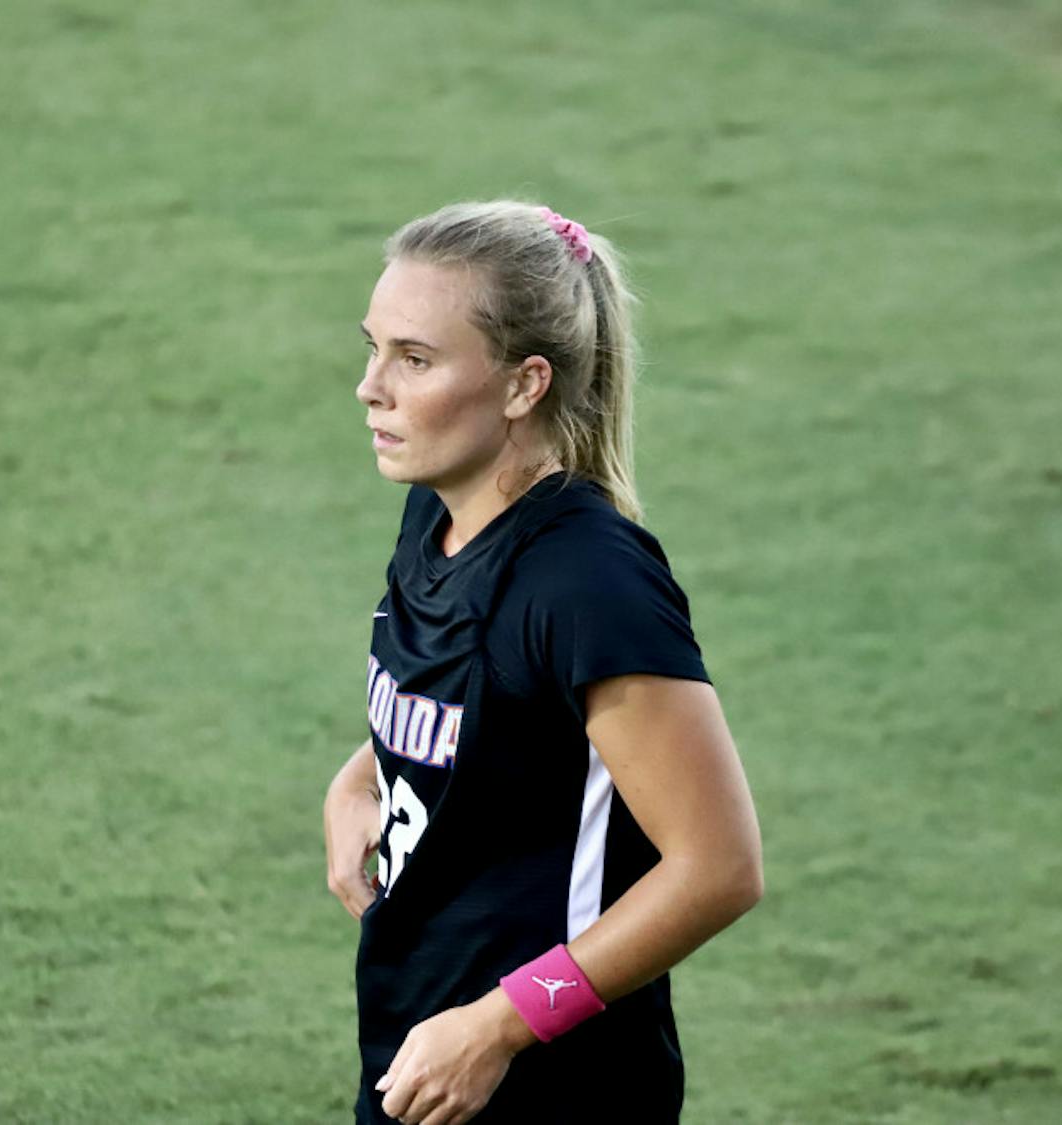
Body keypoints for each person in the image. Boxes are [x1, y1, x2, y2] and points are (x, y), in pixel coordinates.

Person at [324, 200, 763, 1124]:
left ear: (525, 385)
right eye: (373, 348)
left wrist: (496, 1027)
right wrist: (359, 778)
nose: (370, 387)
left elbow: (718, 865)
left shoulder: (588, 584)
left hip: (552, 1087)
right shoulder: (439, 513)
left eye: (415, 359)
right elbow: (483, 706)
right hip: (423, 1049)